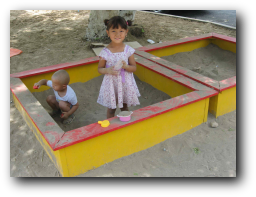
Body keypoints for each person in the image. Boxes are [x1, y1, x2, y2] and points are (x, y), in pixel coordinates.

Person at [97, 16, 140, 119]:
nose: (117, 34)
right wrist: (107, 70)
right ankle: (111, 127)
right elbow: (100, 69)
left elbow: (134, 67)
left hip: (125, 84)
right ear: (108, 32)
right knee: (111, 108)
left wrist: (126, 67)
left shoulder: (128, 50)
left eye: (121, 31)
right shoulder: (105, 52)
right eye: (113, 31)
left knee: (124, 106)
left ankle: (125, 124)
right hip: (111, 84)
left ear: (126, 32)